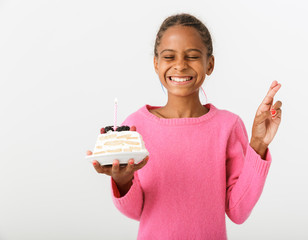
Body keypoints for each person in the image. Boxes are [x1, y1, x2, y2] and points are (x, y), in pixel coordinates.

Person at [87, 13, 282, 239]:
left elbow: (238, 211)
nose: (180, 65)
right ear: (156, 63)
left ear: (210, 64)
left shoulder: (227, 126)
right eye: (169, 57)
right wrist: (122, 180)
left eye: (192, 56)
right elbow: (134, 211)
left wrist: (258, 144)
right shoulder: (134, 126)